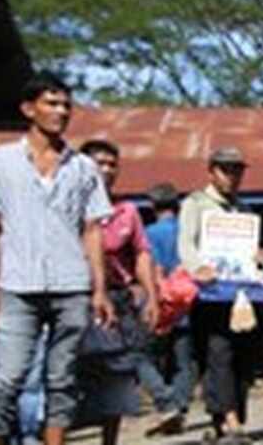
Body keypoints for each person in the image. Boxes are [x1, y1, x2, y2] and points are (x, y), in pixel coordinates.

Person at [0, 71, 116, 445]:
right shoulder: (1, 162)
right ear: (29, 109)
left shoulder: (83, 168)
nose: (61, 111)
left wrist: (100, 289)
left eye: (66, 104)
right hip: (17, 283)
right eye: (52, 103)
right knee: (6, 378)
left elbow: (93, 229)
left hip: (71, 284)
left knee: (61, 380)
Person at [77, 139, 160, 445]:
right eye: (101, 163)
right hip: (74, 297)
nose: (107, 170)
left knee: (117, 375)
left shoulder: (126, 211)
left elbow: (141, 253)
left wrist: (151, 294)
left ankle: (109, 441)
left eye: (113, 164)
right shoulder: (65, 206)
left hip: (117, 299)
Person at [178, 147, 260, 445]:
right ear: (211, 171)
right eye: (227, 170)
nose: (233, 176)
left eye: (237, 170)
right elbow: (186, 243)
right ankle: (230, 420)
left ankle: (225, 419)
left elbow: (251, 249)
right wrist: (197, 267)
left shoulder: (244, 210)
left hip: (241, 296)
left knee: (242, 356)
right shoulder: (196, 204)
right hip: (210, 295)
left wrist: (256, 257)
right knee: (217, 353)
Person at [138, 182, 196, 437]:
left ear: (152, 206)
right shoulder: (188, 231)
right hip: (188, 302)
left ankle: (165, 401)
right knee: (185, 361)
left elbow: (155, 269)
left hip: (161, 303)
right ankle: (179, 408)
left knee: (142, 357)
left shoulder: (149, 233)